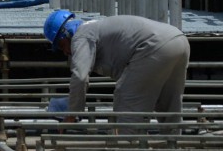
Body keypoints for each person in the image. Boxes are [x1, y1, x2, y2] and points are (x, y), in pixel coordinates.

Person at [44, 10, 190, 127]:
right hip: (179, 39)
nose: (65, 52)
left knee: (126, 103)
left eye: (62, 46)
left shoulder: (81, 35)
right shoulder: (95, 27)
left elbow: (80, 77)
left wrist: (71, 113)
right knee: (169, 104)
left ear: (65, 34)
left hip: (154, 46)